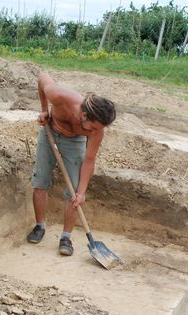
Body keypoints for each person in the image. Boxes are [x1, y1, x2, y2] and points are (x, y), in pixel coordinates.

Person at [27, 72, 116, 256]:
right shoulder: (61, 96)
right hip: (49, 131)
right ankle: (40, 226)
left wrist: (82, 192)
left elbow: (89, 161)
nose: (95, 132)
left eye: (99, 129)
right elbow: (42, 78)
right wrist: (44, 110)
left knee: (74, 192)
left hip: (74, 142)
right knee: (40, 182)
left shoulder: (96, 132)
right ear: (84, 115)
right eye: (93, 127)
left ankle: (66, 237)